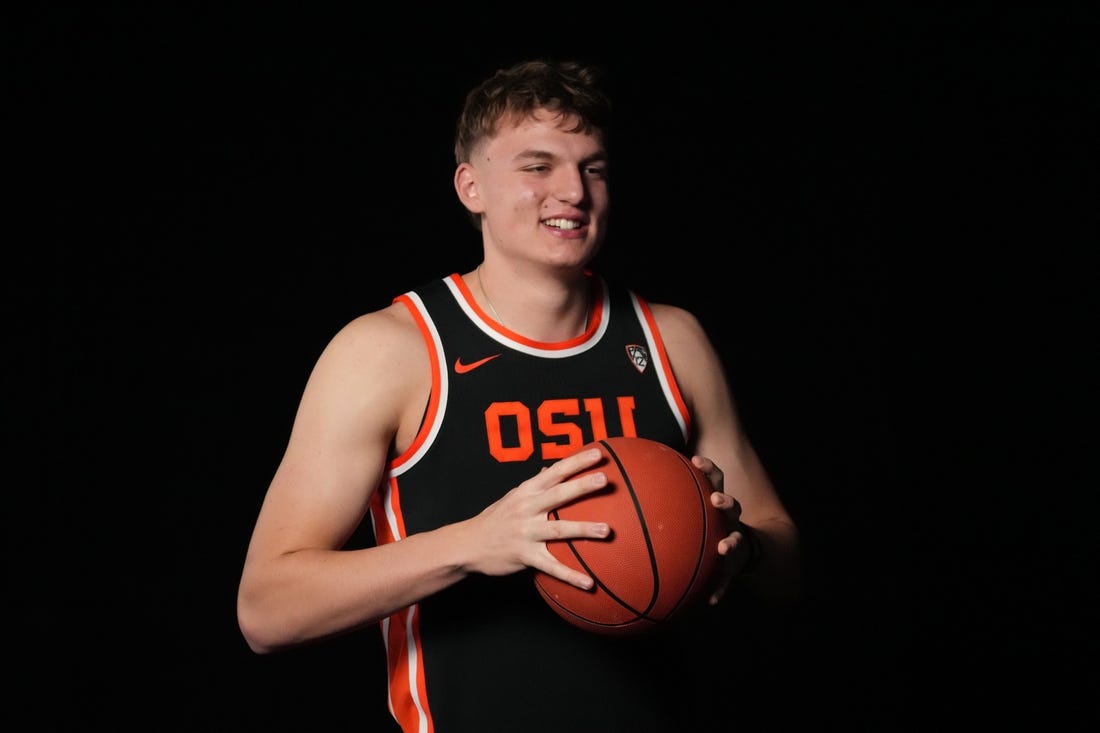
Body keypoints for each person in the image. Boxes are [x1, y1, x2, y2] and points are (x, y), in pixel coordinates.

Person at [237, 58, 800, 732]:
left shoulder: (671, 337)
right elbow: (267, 610)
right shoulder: (391, 350)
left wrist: (734, 541)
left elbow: (786, 558)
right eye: (538, 166)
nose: (573, 190)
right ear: (469, 186)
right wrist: (476, 541)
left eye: (593, 168)